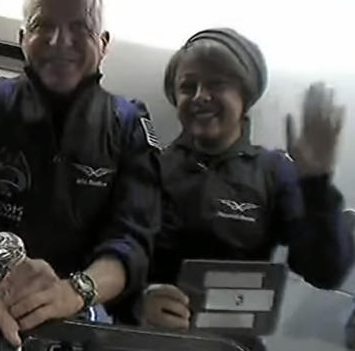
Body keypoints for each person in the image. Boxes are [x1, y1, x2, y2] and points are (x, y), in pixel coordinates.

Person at [0, 0, 162, 351]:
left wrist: (74, 291)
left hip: (78, 326)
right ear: (22, 39)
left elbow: (132, 241)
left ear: (103, 44)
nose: (58, 41)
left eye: (79, 28)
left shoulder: (129, 124)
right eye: (42, 25)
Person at [140, 28, 353, 331]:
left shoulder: (273, 172)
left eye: (217, 84)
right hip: (149, 340)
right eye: (188, 86)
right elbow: (116, 256)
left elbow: (325, 272)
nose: (200, 96)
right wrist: (137, 300)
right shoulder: (150, 168)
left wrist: (317, 184)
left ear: (245, 95)